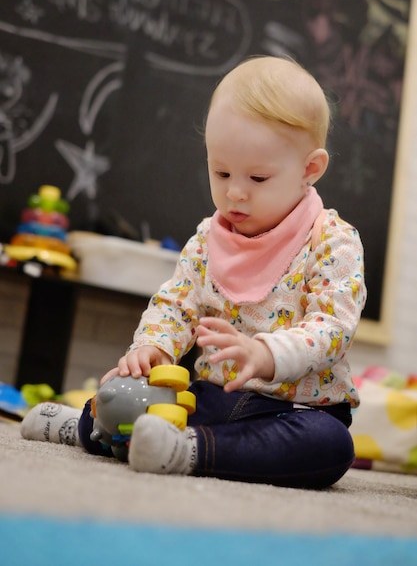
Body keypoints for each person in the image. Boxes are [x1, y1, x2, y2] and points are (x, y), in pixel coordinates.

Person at [21, 56, 366, 489]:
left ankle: (187, 450)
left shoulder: (333, 240)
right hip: (216, 399)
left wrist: (267, 354)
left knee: (331, 447)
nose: (234, 192)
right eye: (220, 172)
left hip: (296, 411)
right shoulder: (208, 238)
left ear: (309, 170)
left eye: (258, 178)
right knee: (132, 398)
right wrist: (153, 348)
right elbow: (176, 304)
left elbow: (333, 326)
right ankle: (84, 425)